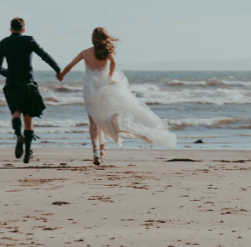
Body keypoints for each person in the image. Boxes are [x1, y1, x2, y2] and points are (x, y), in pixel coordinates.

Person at [57, 27, 176, 165]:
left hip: (90, 88)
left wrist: (62, 75)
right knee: (104, 119)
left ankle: (96, 152)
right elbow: (113, 62)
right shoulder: (107, 51)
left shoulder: (85, 52)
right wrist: (110, 76)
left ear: (93, 38)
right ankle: (102, 150)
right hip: (104, 86)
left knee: (93, 122)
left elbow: (70, 66)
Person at [0, 17, 63, 164]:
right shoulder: (29, 40)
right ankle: (27, 153)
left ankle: (18, 135)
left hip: (12, 83)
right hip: (27, 83)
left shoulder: (4, 42)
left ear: (10, 29)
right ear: (23, 29)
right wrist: (58, 70)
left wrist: (8, 73)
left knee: (16, 112)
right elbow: (44, 56)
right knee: (29, 116)